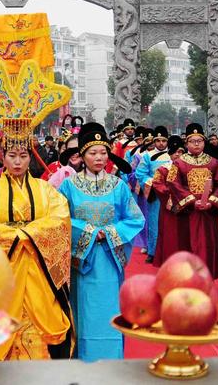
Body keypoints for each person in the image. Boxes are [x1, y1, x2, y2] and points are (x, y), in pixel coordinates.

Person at [0, 127, 73, 360]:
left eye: (23, 156)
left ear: (31, 157)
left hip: (38, 270)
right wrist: (19, 236)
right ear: (2, 156)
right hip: (4, 271)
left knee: (47, 319)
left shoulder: (46, 190)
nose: (17, 162)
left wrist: (25, 234)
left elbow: (60, 219)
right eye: (12, 156)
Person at [57, 123, 143, 361]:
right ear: (82, 156)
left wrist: (111, 232)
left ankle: (112, 360)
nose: (99, 158)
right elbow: (61, 218)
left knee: (110, 309)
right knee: (84, 312)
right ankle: (82, 360)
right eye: (93, 153)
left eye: (103, 152)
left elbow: (135, 219)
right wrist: (89, 231)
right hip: (82, 261)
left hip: (110, 258)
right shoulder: (68, 186)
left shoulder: (118, 186)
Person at [151, 123, 218, 277]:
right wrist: (192, 201)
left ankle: (206, 278)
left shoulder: (214, 162)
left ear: (204, 142)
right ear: (186, 143)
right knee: (186, 243)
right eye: (193, 141)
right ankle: (186, 279)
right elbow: (173, 183)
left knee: (207, 244)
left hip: (207, 212)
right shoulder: (179, 163)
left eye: (200, 140)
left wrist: (211, 202)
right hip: (187, 212)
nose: (197, 144)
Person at [134, 127, 173, 262]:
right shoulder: (148, 156)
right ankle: (152, 251)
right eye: (158, 140)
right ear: (154, 141)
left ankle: (169, 251)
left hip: (171, 194)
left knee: (171, 223)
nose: (161, 143)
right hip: (155, 194)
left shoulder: (172, 156)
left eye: (164, 140)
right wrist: (154, 183)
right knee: (153, 223)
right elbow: (140, 174)